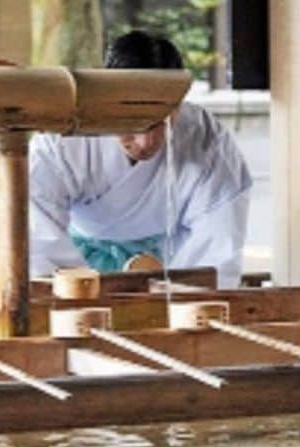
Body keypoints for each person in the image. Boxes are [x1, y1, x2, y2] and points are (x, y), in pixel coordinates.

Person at [29, 30, 251, 287]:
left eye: (161, 122)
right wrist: (76, 291)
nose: (146, 142)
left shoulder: (205, 139)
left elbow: (218, 245)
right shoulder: (64, 138)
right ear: (107, 100)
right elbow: (37, 232)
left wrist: (184, 297)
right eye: (133, 123)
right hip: (77, 252)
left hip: (170, 256)